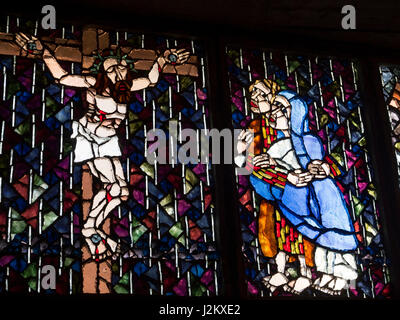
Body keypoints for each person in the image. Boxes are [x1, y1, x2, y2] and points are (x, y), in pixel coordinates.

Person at [15, 32, 190, 261]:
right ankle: (89, 229)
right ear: (102, 74)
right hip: (91, 138)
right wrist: (44, 52)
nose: (118, 73)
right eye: (110, 70)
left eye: (120, 67)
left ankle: (92, 228)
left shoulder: (127, 86)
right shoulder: (92, 85)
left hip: (109, 141)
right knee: (114, 188)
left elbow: (151, 81)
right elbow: (63, 77)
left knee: (123, 192)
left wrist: (163, 60)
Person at [236, 79, 359, 295]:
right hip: (274, 193)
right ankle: (281, 270)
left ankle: (307, 273)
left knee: (309, 235)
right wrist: (243, 155)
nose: (256, 100)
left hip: (308, 197)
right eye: (252, 96)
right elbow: (243, 164)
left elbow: (323, 159)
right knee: (275, 232)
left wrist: (324, 168)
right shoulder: (252, 129)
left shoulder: (301, 134)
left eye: (262, 95)